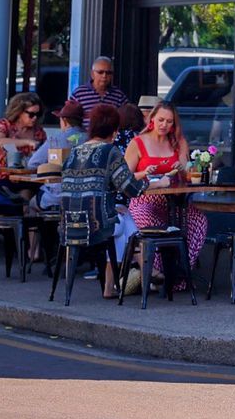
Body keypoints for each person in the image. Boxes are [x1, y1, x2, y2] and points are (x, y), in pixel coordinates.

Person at [59, 103, 150, 298]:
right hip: (97, 224)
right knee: (127, 225)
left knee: (123, 221)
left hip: (68, 223)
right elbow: (130, 189)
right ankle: (144, 278)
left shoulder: (74, 151)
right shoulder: (110, 152)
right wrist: (153, 184)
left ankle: (112, 286)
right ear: (115, 131)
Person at [124, 101, 207, 288]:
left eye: (169, 122)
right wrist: (145, 174)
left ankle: (181, 273)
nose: (164, 125)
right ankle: (159, 275)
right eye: (161, 120)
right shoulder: (137, 142)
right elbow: (125, 177)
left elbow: (188, 175)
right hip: (144, 199)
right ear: (152, 119)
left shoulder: (178, 142)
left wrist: (182, 168)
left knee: (198, 220)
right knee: (153, 226)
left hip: (174, 200)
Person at [0, 92, 48, 214]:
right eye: (31, 114)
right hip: (1, 177)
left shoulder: (38, 132)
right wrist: (26, 142)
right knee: (0, 208)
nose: (35, 118)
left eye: (38, 114)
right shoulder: (5, 125)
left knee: (30, 203)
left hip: (25, 179)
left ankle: (24, 230)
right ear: (19, 112)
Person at [32, 100, 87, 211]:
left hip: (57, 197)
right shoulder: (91, 138)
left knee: (31, 203)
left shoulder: (55, 140)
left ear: (64, 121)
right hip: (85, 198)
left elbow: (33, 163)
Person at [68, 56, 131, 124]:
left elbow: (127, 117)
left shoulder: (119, 96)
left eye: (108, 73)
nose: (104, 76)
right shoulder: (78, 94)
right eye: (100, 72)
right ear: (92, 74)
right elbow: (68, 118)